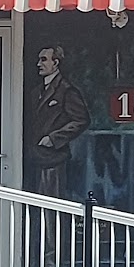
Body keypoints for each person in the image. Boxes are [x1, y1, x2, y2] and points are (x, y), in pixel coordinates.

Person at [26, 45, 88, 198]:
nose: (38, 64)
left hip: (54, 160)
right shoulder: (36, 92)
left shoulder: (66, 90)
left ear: (55, 63)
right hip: (34, 158)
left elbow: (81, 120)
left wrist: (53, 139)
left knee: (51, 204)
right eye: (39, 60)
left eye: (43, 60)